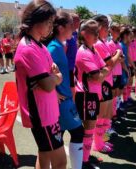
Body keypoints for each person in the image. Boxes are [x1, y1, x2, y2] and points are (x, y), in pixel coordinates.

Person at [14, 1, 66, 169]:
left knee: (44, 155)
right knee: (60, 161)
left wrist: (54, 77)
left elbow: (56, 77)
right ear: (37, 21)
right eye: (49, 22)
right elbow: (49, 84)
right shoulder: (28, 49)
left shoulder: (40, 46)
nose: (52, 26)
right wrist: (55, 77)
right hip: (42, 116)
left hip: (49, 112)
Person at [46, 11, 84, 169]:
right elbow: (42, 74)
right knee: (77, 132)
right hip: (62, 102)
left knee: (55, 141)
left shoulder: (59, 45)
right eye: (71, 26)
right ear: (61, 28)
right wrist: (54, 93)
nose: (74, 29)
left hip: (65, 100)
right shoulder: (53, 48)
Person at [75, 19, 108, 169]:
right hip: (86, 96)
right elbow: (98, 76)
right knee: (88, 129)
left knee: (90, 129)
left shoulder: (93, 49)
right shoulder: (84, 52)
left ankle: (86, 159)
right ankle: (83, 162)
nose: (96, 34)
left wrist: (100, 74)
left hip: (94, 95)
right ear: (83, 33)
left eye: (97, 31)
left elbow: (105, 69)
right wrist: (100, 74)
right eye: (93, 32)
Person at [93, 15, 122, 153]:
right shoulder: (98, 43)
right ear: (98, 28)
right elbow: (110, 62)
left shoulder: (102, 42)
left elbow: (111, 62)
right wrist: (118, 53)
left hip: (107, 82)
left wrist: (115, 57)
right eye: (105, 26)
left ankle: (101, 140)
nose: (108, 29)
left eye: (107, 26)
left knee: (106, 115)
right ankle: (98, 144)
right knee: (101, 116)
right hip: (103, 83)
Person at [65, 13, 80, 97]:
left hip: (74, 67)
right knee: (71, 90)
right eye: (76, 20)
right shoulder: (67, 35)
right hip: (68, 68)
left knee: (74, 89)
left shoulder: (75, 34)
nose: (79, 21)